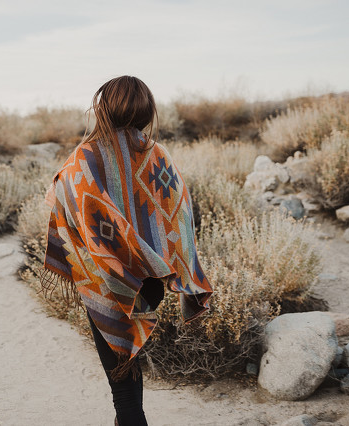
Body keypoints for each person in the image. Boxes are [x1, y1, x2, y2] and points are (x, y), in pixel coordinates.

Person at [41, 75, 213, 425]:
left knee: (121, 381)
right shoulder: (157, 153)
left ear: (103, 107)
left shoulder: (86, 156)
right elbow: (180, 212)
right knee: (128, 364)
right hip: (150, 278)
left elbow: (64, 199)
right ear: (146, 109)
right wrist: (163, 263)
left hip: (106, 277)